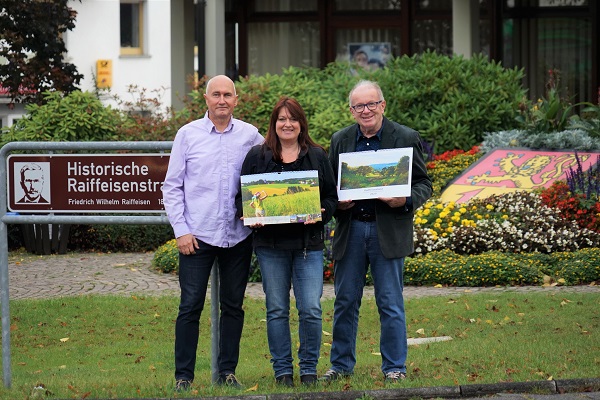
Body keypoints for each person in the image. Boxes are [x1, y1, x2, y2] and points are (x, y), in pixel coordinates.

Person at [321, 80, 432, 383]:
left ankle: (394, 367)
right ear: (352, 110)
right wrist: (337, 204)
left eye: (372, 104)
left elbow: (424, 183)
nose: (366, 110)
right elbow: (331, 188)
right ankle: (341, 365)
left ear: (383, 105)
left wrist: (406, 199)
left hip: (388, 231)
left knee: (390, 302)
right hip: (352, 229)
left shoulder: (406, 137)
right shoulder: (340, 139)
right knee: (345, 301)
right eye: (359, 106)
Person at [162, 75, 264, 392]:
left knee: (233, 306)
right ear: (206, 99)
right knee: (190, 306)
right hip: (197, 237)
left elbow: (270, 172)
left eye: (227, 95)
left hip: (237, 236)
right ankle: (183, 377)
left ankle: (227, 372)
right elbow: (172, 187)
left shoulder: (250, 136)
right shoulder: (187, 135)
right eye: (215, 94)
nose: (222, 100)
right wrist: (181, 230)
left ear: (236, 100)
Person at [238, 97, 338, 387]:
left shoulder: (317, 156)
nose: (287, 124)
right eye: (281, 119)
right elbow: (240, 200)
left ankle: (308, 369)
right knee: (277, 309)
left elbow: (331, 198)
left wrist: (321, 212)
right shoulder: (257, 157)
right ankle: (283, 371)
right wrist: (249, 217)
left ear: (301, 123)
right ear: (274, 124)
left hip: (308, 246)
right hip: (270, 248)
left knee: (310, 309)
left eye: (292, 119)